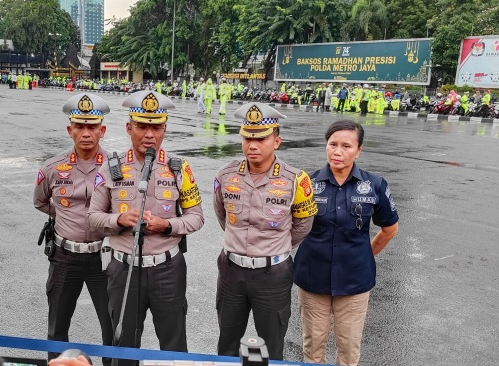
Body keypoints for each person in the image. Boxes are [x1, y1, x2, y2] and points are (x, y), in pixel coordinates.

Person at [88, 90, 204, 365]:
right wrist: (118, 220)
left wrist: (168, 225)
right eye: (142, 126)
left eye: (156, 127)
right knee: (124, 348)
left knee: (174, 346)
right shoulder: (111, 167)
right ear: (129, 128)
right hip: (124, 268)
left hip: (167, 270)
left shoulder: (179, 168)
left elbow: (197, 217)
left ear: (165, 129)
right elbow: (93, 216)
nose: (149, 134)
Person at [213, 103, 317, 360]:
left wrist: (271, 248)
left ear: (277, 141)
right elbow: (222, 215)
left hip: (273, 276)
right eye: (247, 138)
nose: (253, 145)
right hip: (231, 270)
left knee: (272, 346)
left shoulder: (296, 180)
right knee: (226, 344)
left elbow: (303, 225)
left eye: (261, 138)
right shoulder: (226, 175)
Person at [293, 120, 399, 366]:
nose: (338, 151)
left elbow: (389, 229)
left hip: (355, 281)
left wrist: (366, 255)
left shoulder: (374, 185)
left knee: (349, 348)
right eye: (332, 144)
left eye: (346, 146)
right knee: (313, 345)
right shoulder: (307, 184)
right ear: (326, 146)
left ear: (358, 150)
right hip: (312, 278)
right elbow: (292, 225)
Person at [33, 93, 114, 364]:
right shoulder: (53, 168)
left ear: (102, 130)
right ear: (70, 130)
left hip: (105, 258)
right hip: (65, 256)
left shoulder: (118, 168)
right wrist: (68, 217)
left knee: (113, 328)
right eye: (79, 126)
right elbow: (41, 202)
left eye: (92, 127)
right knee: (57, 327)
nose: (86, 133)